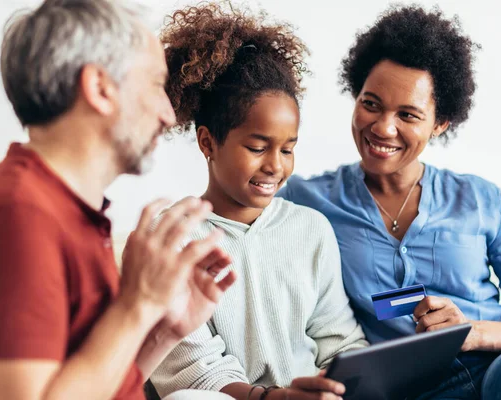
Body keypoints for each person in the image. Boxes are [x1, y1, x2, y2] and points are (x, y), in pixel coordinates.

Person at [0, 1, 237, 399]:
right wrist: (137, 304)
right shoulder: (16, 216)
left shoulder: (68, 212)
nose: (169, 114)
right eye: (155, 84)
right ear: (100, 88)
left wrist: (163, 331)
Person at [279, 5, 501, 400]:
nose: (383, 127)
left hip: (497, 372)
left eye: (408, 114)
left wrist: (472, 331)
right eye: (371, 103)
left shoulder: (480, 200)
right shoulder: (308, 199)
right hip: (399, 387)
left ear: (440, 123)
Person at [149, 3, 368, 400]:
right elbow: (191, 370)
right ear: (207, 142)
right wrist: (269, 398)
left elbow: (339, 339)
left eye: (287, 150)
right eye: (257, 147)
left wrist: (338, 383)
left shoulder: (311, 229)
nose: (275, 166)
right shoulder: (174, 235)